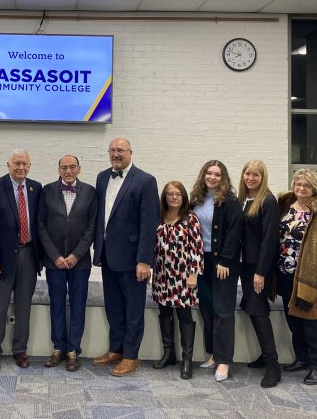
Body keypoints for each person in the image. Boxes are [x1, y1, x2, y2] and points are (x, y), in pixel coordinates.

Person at [92, 138, 158, 377]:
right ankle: (116, 350)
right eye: (112, 150)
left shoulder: (145, 181)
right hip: (108, 256)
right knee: (114, 307)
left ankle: (131, 356)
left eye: (121, 150)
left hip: (133, 260)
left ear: (130, 152)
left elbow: (149, 224)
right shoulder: (101, 177)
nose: (116, 154)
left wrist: (144, 260)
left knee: (133, 310)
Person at [0, 149, 43, 371]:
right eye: (17, 163)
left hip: (29, 255)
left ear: (29, 166)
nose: (21, 168)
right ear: (8, 165)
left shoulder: (36, 188)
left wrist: (41, 258)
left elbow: (40, 225)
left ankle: (20, 350)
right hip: (3, 258)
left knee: (24, 306)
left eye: (25, 164)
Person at [276, 168, 317, 385]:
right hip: (285, 274)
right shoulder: (285, 205)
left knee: (312, 322)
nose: (301, 188)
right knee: (293, 319)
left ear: (315, 188)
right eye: (298, 184)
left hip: (308, 276)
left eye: (306, 185)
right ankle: (301, 358)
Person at [37, 154, 97, 372]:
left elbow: (92, 227)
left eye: (73, 167)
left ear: (79, 169)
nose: (69, 171)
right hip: (55, 263)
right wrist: (55, 256)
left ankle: (73, 350)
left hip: (79, 262)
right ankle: (58, 348)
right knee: (57, 305)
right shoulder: (47, 190)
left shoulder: (90, 192)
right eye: (64, 167)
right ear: (59, 169)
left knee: (78, 305)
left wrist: (76, 255)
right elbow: (41, 226)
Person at [189, 160, 243, 382]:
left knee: (223, 311)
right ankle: (213, 354)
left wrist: (226, 261)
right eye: (209, 173)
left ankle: (224, 361)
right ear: (203, 175)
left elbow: (234, 232)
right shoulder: (196, 199)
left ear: (223, 178)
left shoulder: (229, 201)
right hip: (201, 261)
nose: (212, 177)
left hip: (222, 262)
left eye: (217, 174)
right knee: (207, 308)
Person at [151, 181, 203, 380]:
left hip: (183, 277)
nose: (174, 197)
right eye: (170, 194)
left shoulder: (191, 219)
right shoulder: (159, 217)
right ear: (165, 197)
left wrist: (193, 274)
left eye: (178, 194)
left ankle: (187, 359)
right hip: (162, 275)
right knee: (164, 313)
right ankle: (168, 354)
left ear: (183, 197)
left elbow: (197, 248)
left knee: (184, 316)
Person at [238, 160, 281, 388]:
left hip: (258, 268)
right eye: (248, 173)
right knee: (253, 310)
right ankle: (265, 356)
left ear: (263, 177)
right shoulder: (244, 199)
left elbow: (269, 241)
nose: (251, 178)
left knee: (258, 310)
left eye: (256, 174)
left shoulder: (268, 201)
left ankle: (273, 366)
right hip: (245, 266)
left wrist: (261, 272)